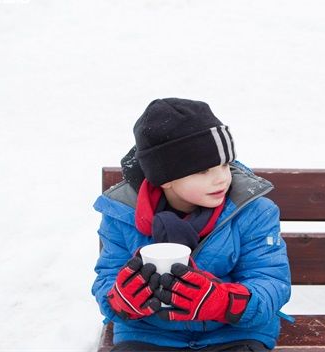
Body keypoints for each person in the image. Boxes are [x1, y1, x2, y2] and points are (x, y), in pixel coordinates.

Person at [91, 98, 291, 351]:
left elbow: (270, 280)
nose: (221, 178)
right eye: (203, 170)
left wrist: (224, 302)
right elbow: (108, 277)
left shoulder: (253, 211)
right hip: (148, 334)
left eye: (225, 165)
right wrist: (120, 299)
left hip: (233, 334)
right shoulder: (122, 214)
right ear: (165, 179)